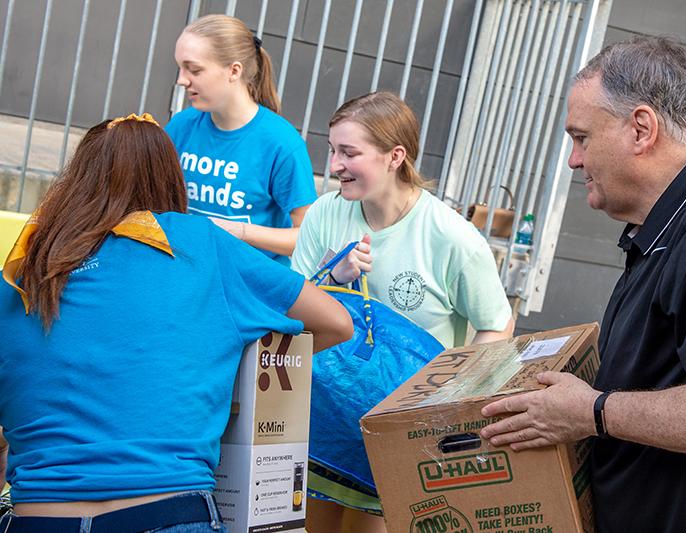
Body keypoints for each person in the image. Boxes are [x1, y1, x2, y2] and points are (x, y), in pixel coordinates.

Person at [480, 36, 686, 532]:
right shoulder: (673, 229)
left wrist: (595, 412)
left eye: (581, 137)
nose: (573, 161)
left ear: (641, 129)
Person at [0, 114, 353, 532]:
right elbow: (336, 322)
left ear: (77, 178)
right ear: (169, 178)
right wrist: (222, 367)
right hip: (167, 512)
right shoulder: (195, 243)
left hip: (36, 517)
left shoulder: (23, 268)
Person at [291, 91, 515, 533]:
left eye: (349, 153)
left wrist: (445, 400)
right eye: (332, 150)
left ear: (395, 156)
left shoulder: (452, 237)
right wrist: (333, 278)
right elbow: (294, 303)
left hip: (392, 436)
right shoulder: (325, 214)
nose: (334, 165)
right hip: (322, 423)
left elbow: (497, 325)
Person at [166, 14, 317, 266]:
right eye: (180, 68)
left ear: (234, 71)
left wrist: (238, 231)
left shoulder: (282, 143)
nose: (181, 79)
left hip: (249, 286)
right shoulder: (180, 127)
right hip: (188, 273)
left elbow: (308, 238)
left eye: (194, 69)